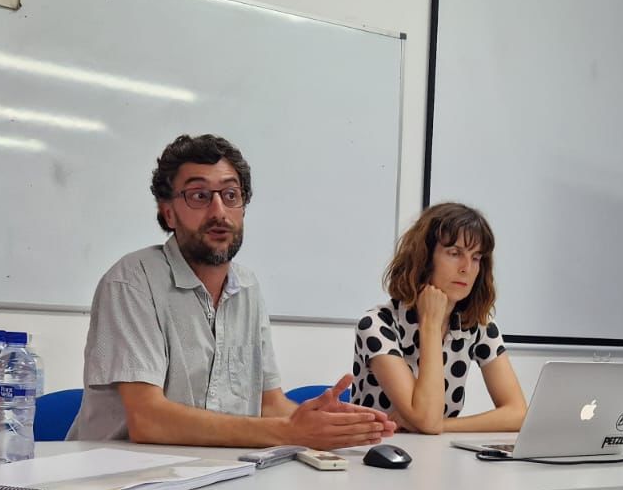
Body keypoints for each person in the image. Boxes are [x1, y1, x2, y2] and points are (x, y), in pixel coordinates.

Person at [69, 133, 395, 448]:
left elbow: (269, 404)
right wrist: (289, 432)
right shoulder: (132, 281)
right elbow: (148, 419)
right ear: (168, 213)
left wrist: (325, 423)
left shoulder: (247, 287)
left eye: (230, 195)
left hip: (211, 471)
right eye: (199, 196)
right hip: (120, 477)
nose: (219, 212)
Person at [351, 202, 526, 435]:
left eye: (476, 257)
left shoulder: (479, 326)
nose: (466, 268)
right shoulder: (377, 325)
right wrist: (431, 325)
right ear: (424, 258)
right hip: (378, 451)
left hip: (436, 450)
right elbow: (426, 418)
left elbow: (518, 413)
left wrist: (443, 425)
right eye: (454, 253)